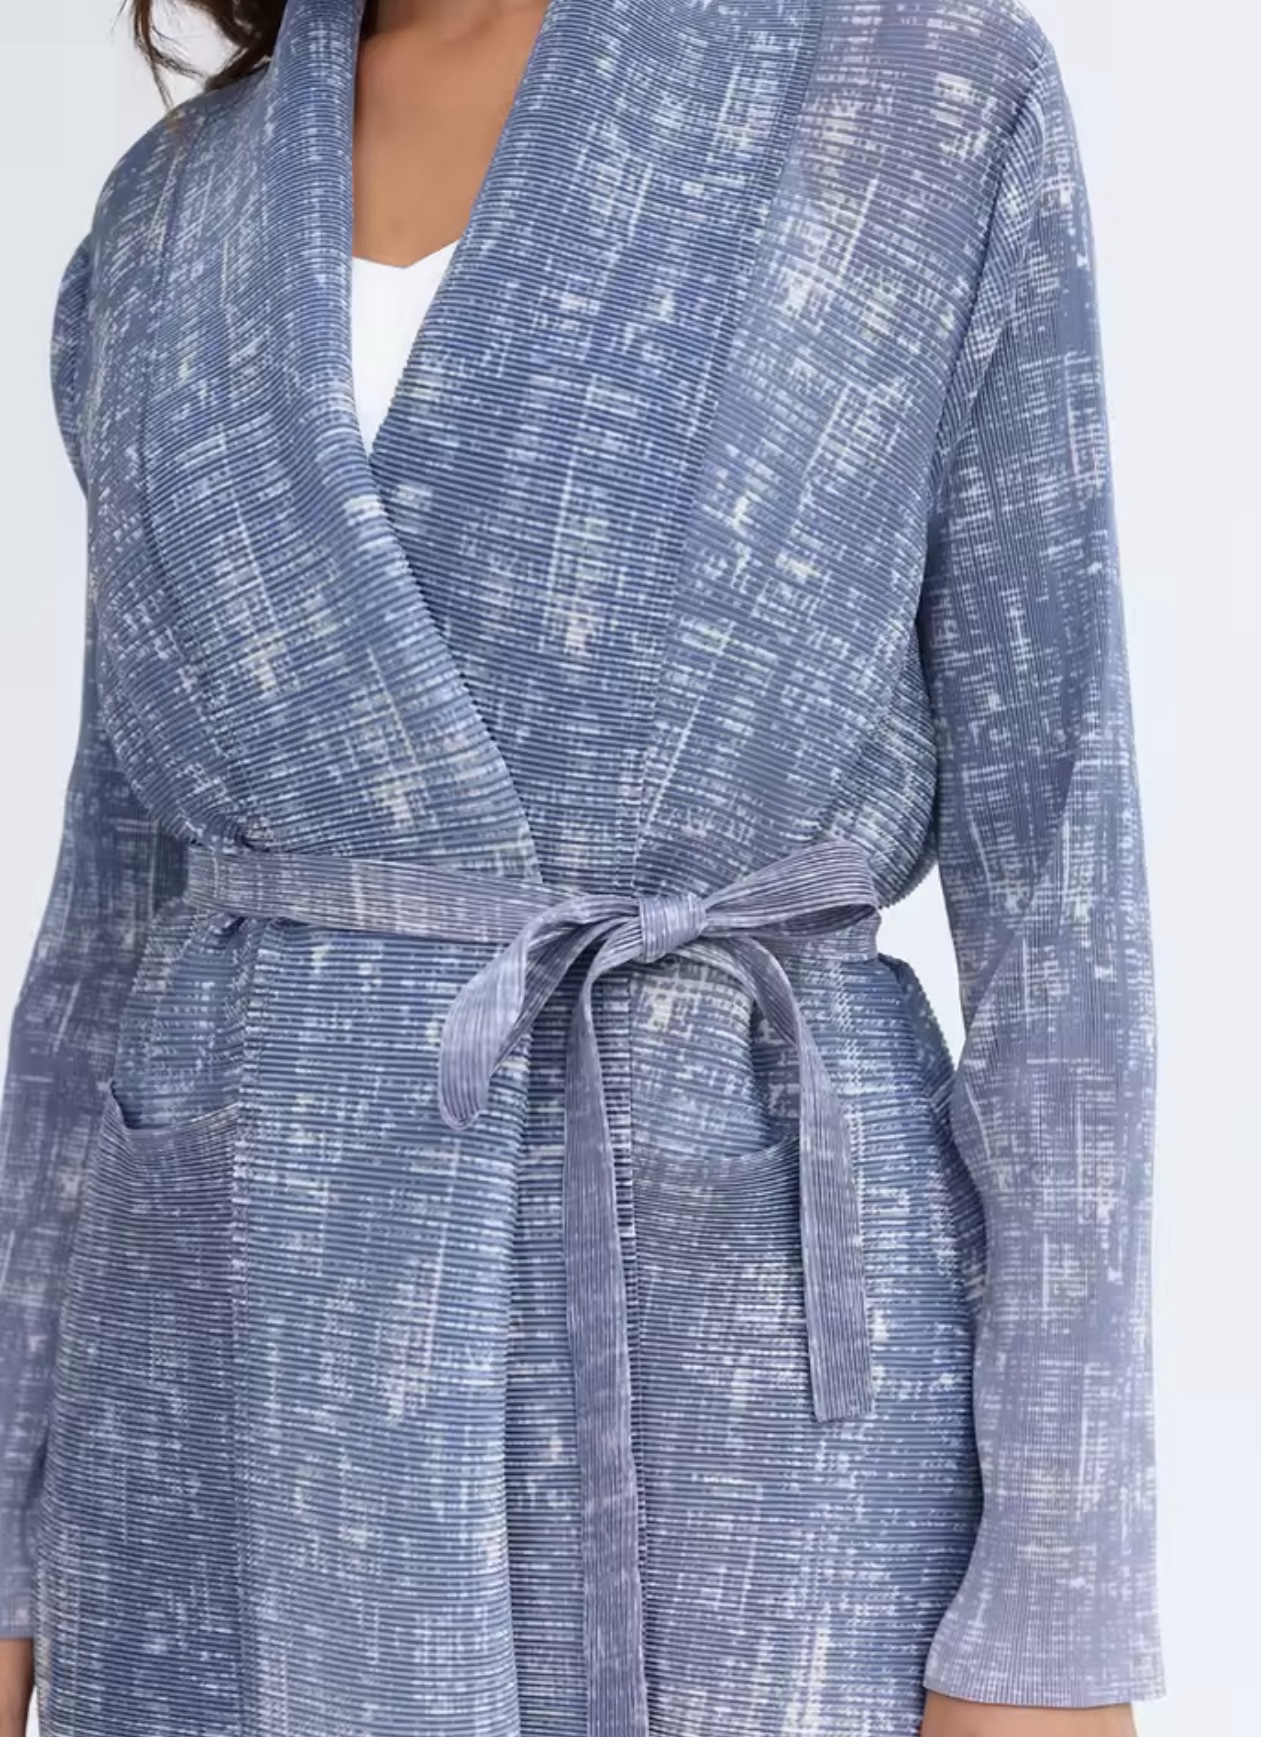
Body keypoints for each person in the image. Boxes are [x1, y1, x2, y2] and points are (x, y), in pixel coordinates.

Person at [0, 0, 1166, 1732]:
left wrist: (1059, 1603)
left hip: (742, 1359)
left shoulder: (915, 91)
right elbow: (112, 913)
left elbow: (1060, 883)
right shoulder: (168, 214)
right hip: (236, 1357)